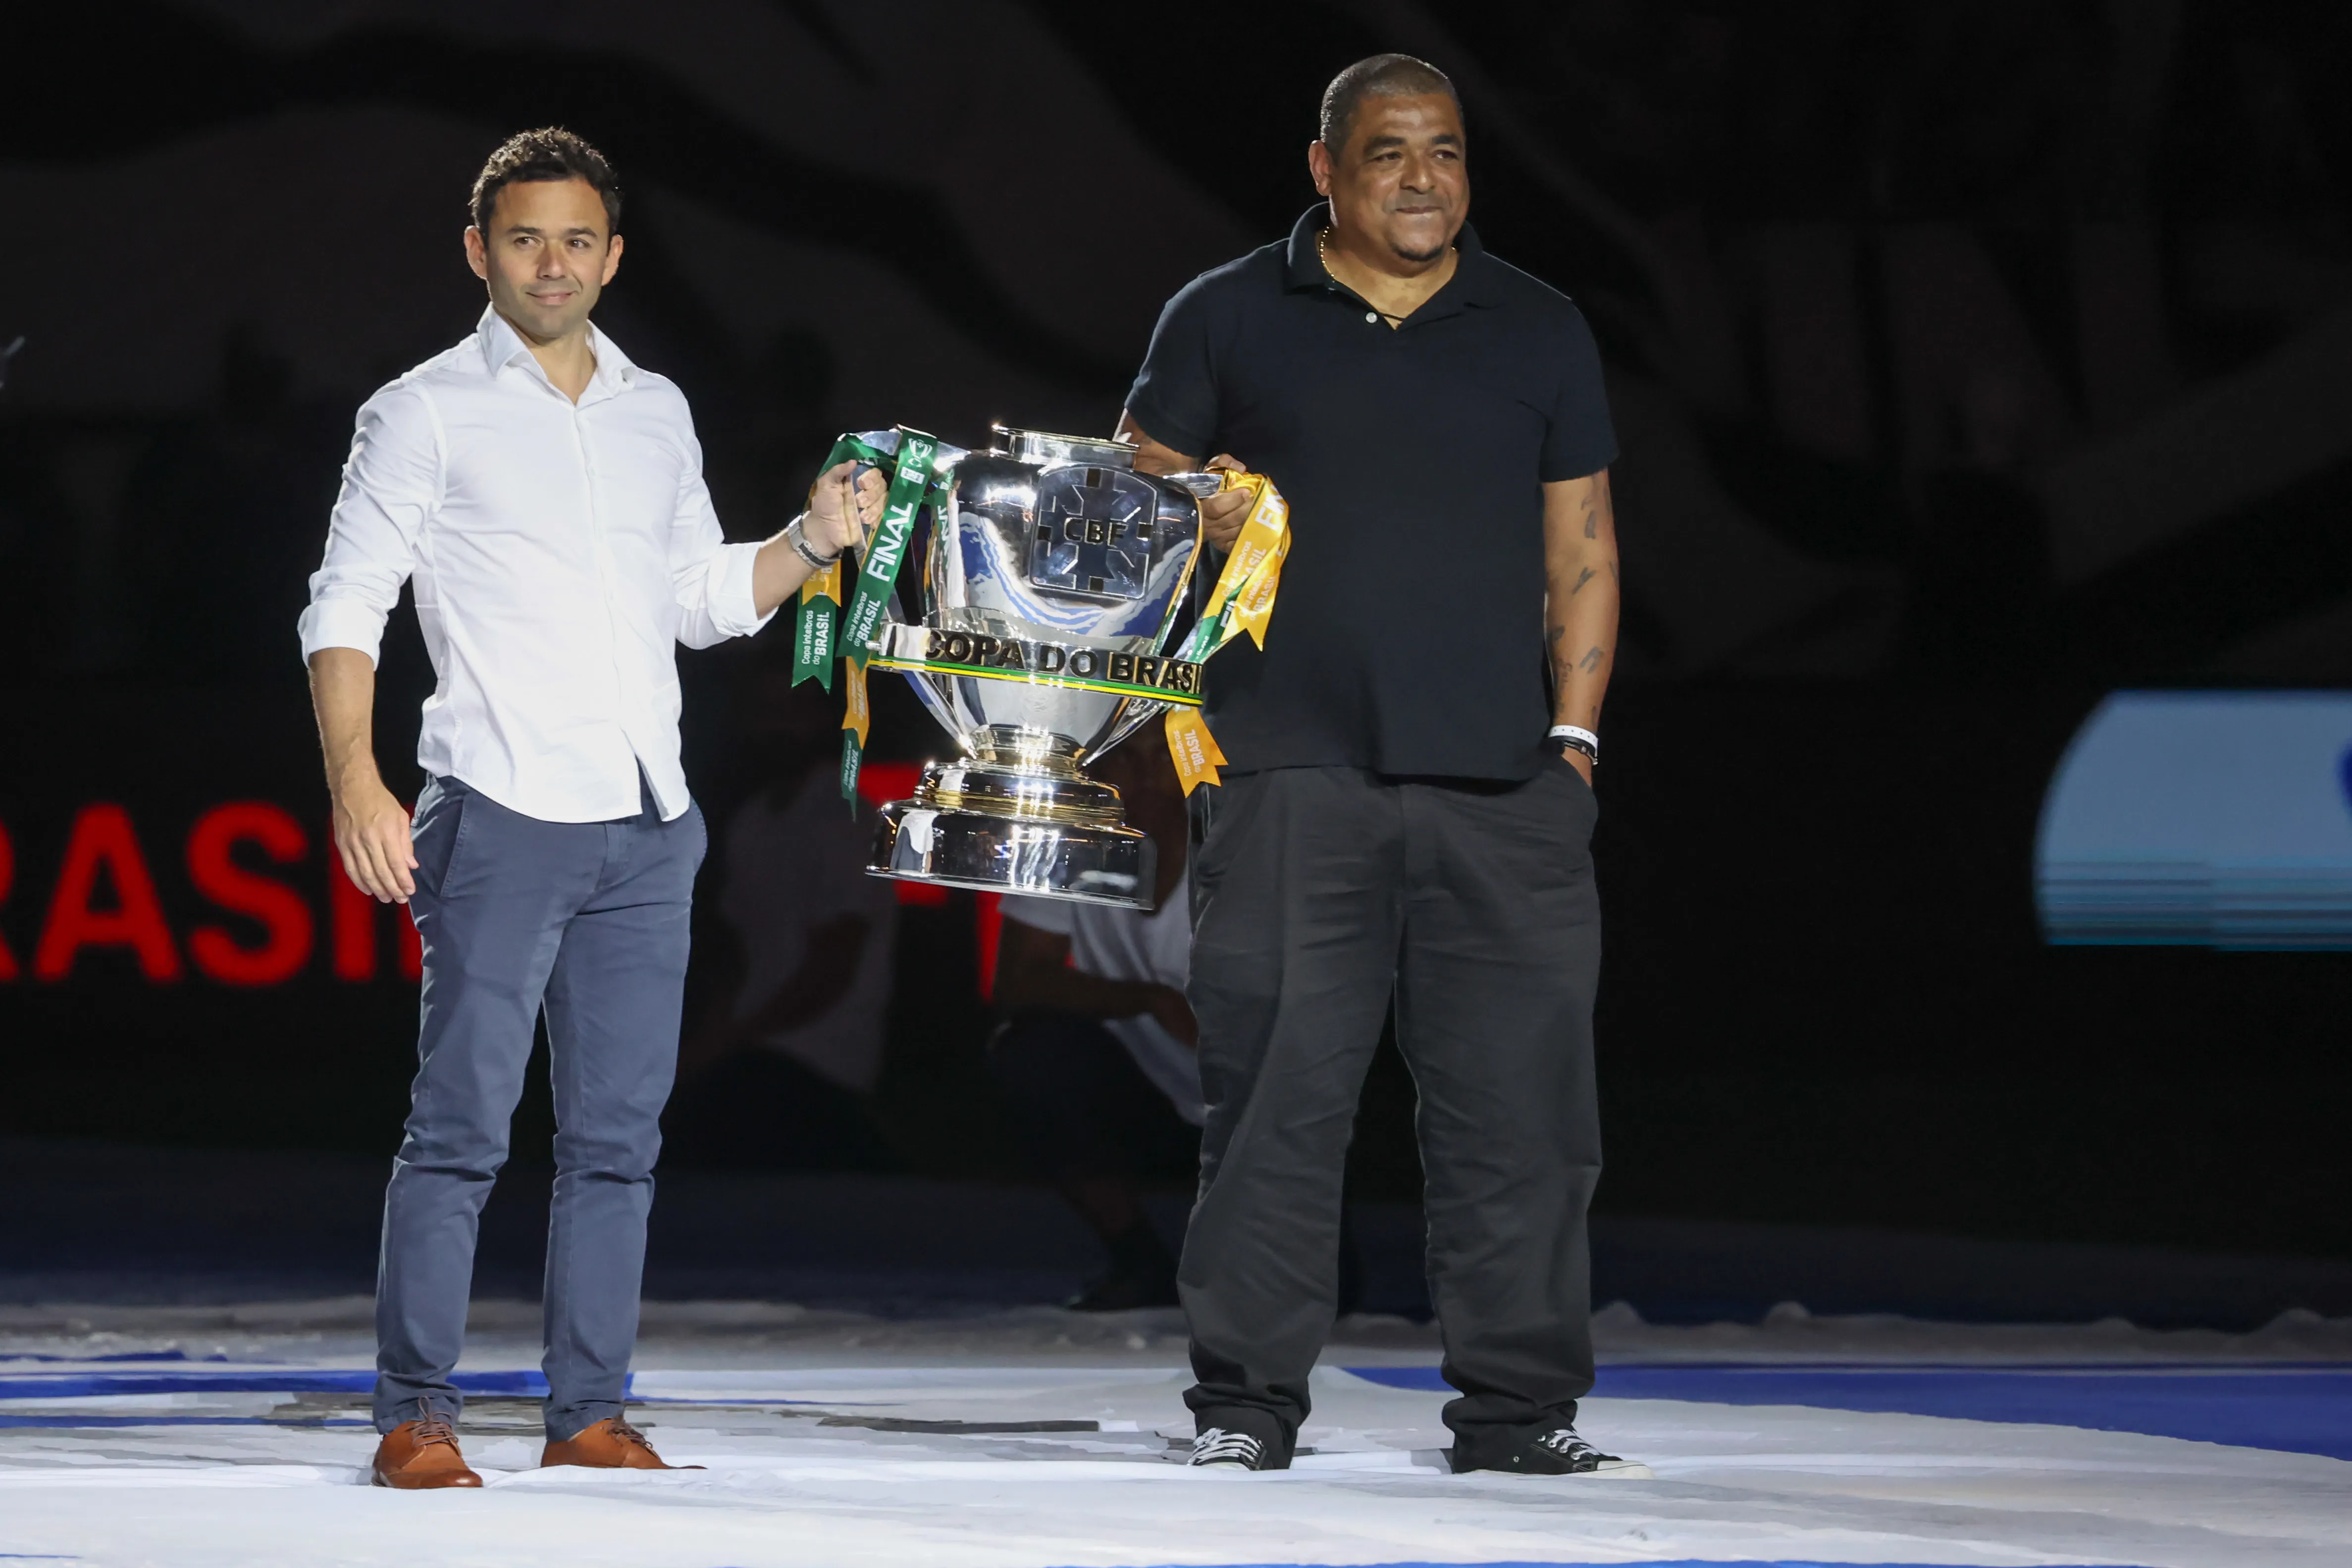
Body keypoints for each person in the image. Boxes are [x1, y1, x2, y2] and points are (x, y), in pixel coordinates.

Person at [299, 128, 884, 1489]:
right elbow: (344, 606)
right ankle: (415, 1410)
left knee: (620, 1138)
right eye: (523, 238)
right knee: (461, 1128)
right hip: (497, 803)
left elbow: (692, 598)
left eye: (576, 239)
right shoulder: (421, 409)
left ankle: (588, 1410)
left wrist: (805, 542)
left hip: (646, 816)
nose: (551, 262)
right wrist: (354, 777)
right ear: (477, 251)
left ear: (614, 256)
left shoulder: (655, 409)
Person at [1115, 56, 1641, 1476]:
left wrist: (1575, 742)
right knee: (1277, 1104)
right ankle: (1244, 1404)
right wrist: (1193, 507)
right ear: (1324, 168)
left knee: (1525, 1119)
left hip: (1504, 787)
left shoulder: (1534, 325)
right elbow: (1126, 498)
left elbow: (1580, 548)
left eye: (1447, 152)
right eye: (1388, 152)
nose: (1422, 178)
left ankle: (1518, 1409)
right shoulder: (1225, 311)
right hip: (1287, 775)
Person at [991, 741, 1202, 1311]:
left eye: (1163, 757)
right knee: (1033, 1055)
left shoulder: (1255, 836)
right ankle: (1139, 1258)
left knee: (1323, 1300)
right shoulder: (1064, 830)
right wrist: (1150, 998)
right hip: (1146, 1085)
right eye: (1128, 758)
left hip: (1263, 1095)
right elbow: (1017, 981)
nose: (1149, 779)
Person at [667, 663, 899, 1170]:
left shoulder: (848, 819)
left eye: (790, 713)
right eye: (763, 713)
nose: (776, 728)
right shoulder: (754, 819)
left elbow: (832, 966)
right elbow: (735, 951)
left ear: (822, 720)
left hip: (818, 1063)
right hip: (744, 1054)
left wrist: (721, 1045)